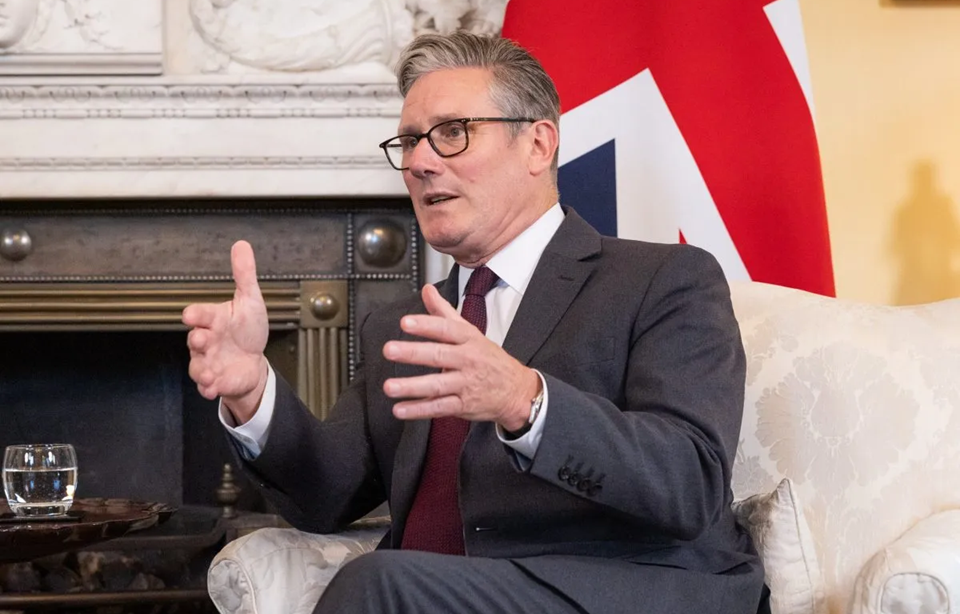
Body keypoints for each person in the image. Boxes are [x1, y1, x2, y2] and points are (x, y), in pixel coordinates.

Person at [182, 31, 765, 614]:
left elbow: (691, 483)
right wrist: (252, 394)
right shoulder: (403, 325)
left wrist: (523, 400)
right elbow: (325, 497)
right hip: (432, 596)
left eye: (452, 133)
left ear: (537, 145)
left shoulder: (662, 279)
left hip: (618, 590)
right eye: (410, 141)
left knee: (379, 583)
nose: (419, 162)